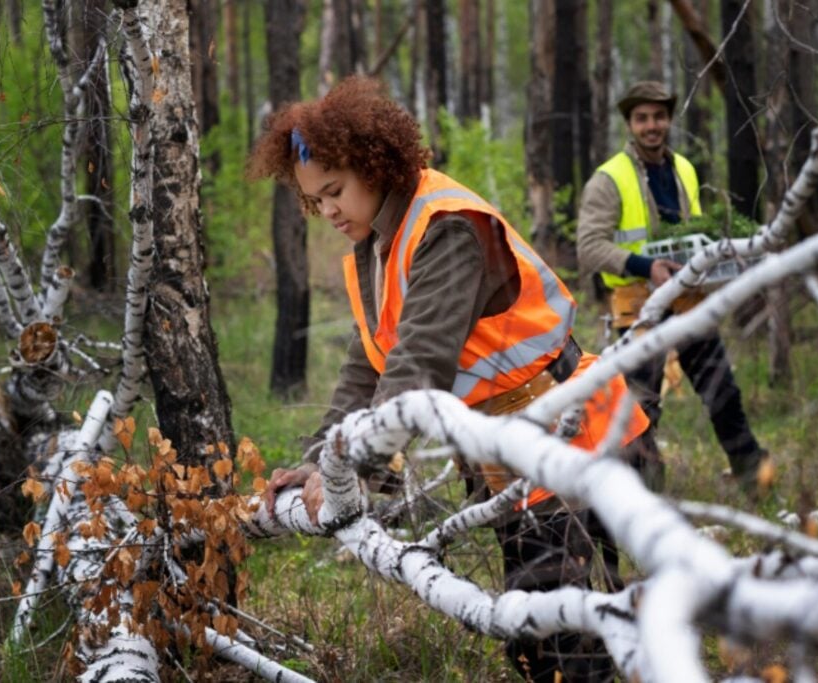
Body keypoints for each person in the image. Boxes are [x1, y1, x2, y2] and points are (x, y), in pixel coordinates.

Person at [249, 76, 654, 683]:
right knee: (545, 640)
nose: (327, 211)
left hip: (574, 438)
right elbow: (371, 359)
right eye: (315, 201)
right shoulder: (379, 241)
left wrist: (354, 466)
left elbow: (419, 362)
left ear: (372, 164)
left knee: (561, 648)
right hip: (517, 454)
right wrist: (321, 460)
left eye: (334, 191)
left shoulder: (445, 227)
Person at [576, 80, 768, 486]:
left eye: (659, 117)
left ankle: (753, 475)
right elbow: (589, 247)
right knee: (642, 408)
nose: (652, 126)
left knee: (723, 391)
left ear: (669, 120)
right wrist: (647, 267)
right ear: (630, 123)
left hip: (686, 300)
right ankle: (641, 492)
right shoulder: (608, 179)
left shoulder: (684, 169)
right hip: (639, 306)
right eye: (642, 118)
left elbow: (692, 233)